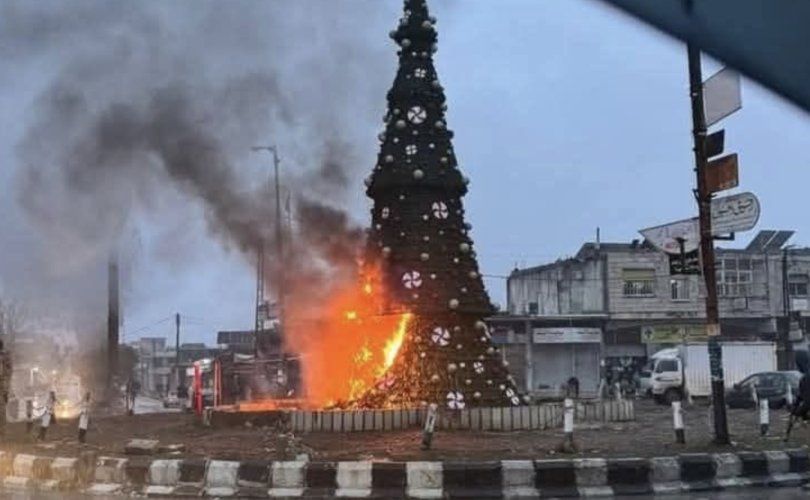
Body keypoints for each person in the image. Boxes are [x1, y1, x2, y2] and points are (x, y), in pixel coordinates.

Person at [792, 351, 810, 420]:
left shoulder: (806, 378)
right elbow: (802, 395)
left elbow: (808, 401)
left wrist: (798, 411)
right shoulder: (806, 377)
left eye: (796, 363)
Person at [0, 339, 12, 437]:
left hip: (2, 384)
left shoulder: (5, 357)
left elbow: (8, 373)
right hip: (3, 384)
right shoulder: (6, 357)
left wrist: (6, 391)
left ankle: (2, 431)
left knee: (2, 409)